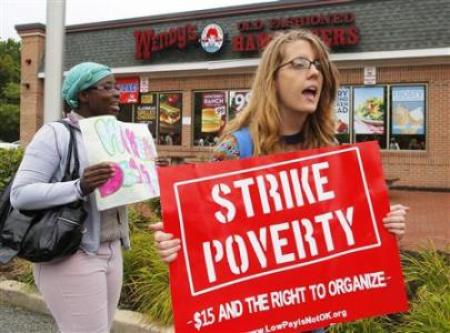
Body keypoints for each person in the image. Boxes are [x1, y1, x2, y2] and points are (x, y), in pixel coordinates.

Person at [151, 30, 408, 333]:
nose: (313, 71)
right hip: (251, 320)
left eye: (317, 65)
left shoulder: (328, 152)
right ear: (272, 78)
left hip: (311, 319)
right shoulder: (236, 150)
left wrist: (384, 227)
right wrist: (174, 244)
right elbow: (204, 242)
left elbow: (341, 232)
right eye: (299, 63)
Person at [10, 62, 129, 333]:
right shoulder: (55, 134)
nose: (117, 93)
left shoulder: (114, 135)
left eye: (117, 87)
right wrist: (79, 186)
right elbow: (20, 194)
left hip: (112, 249)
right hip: (72, 251)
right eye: (107, 87)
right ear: (83, 95)